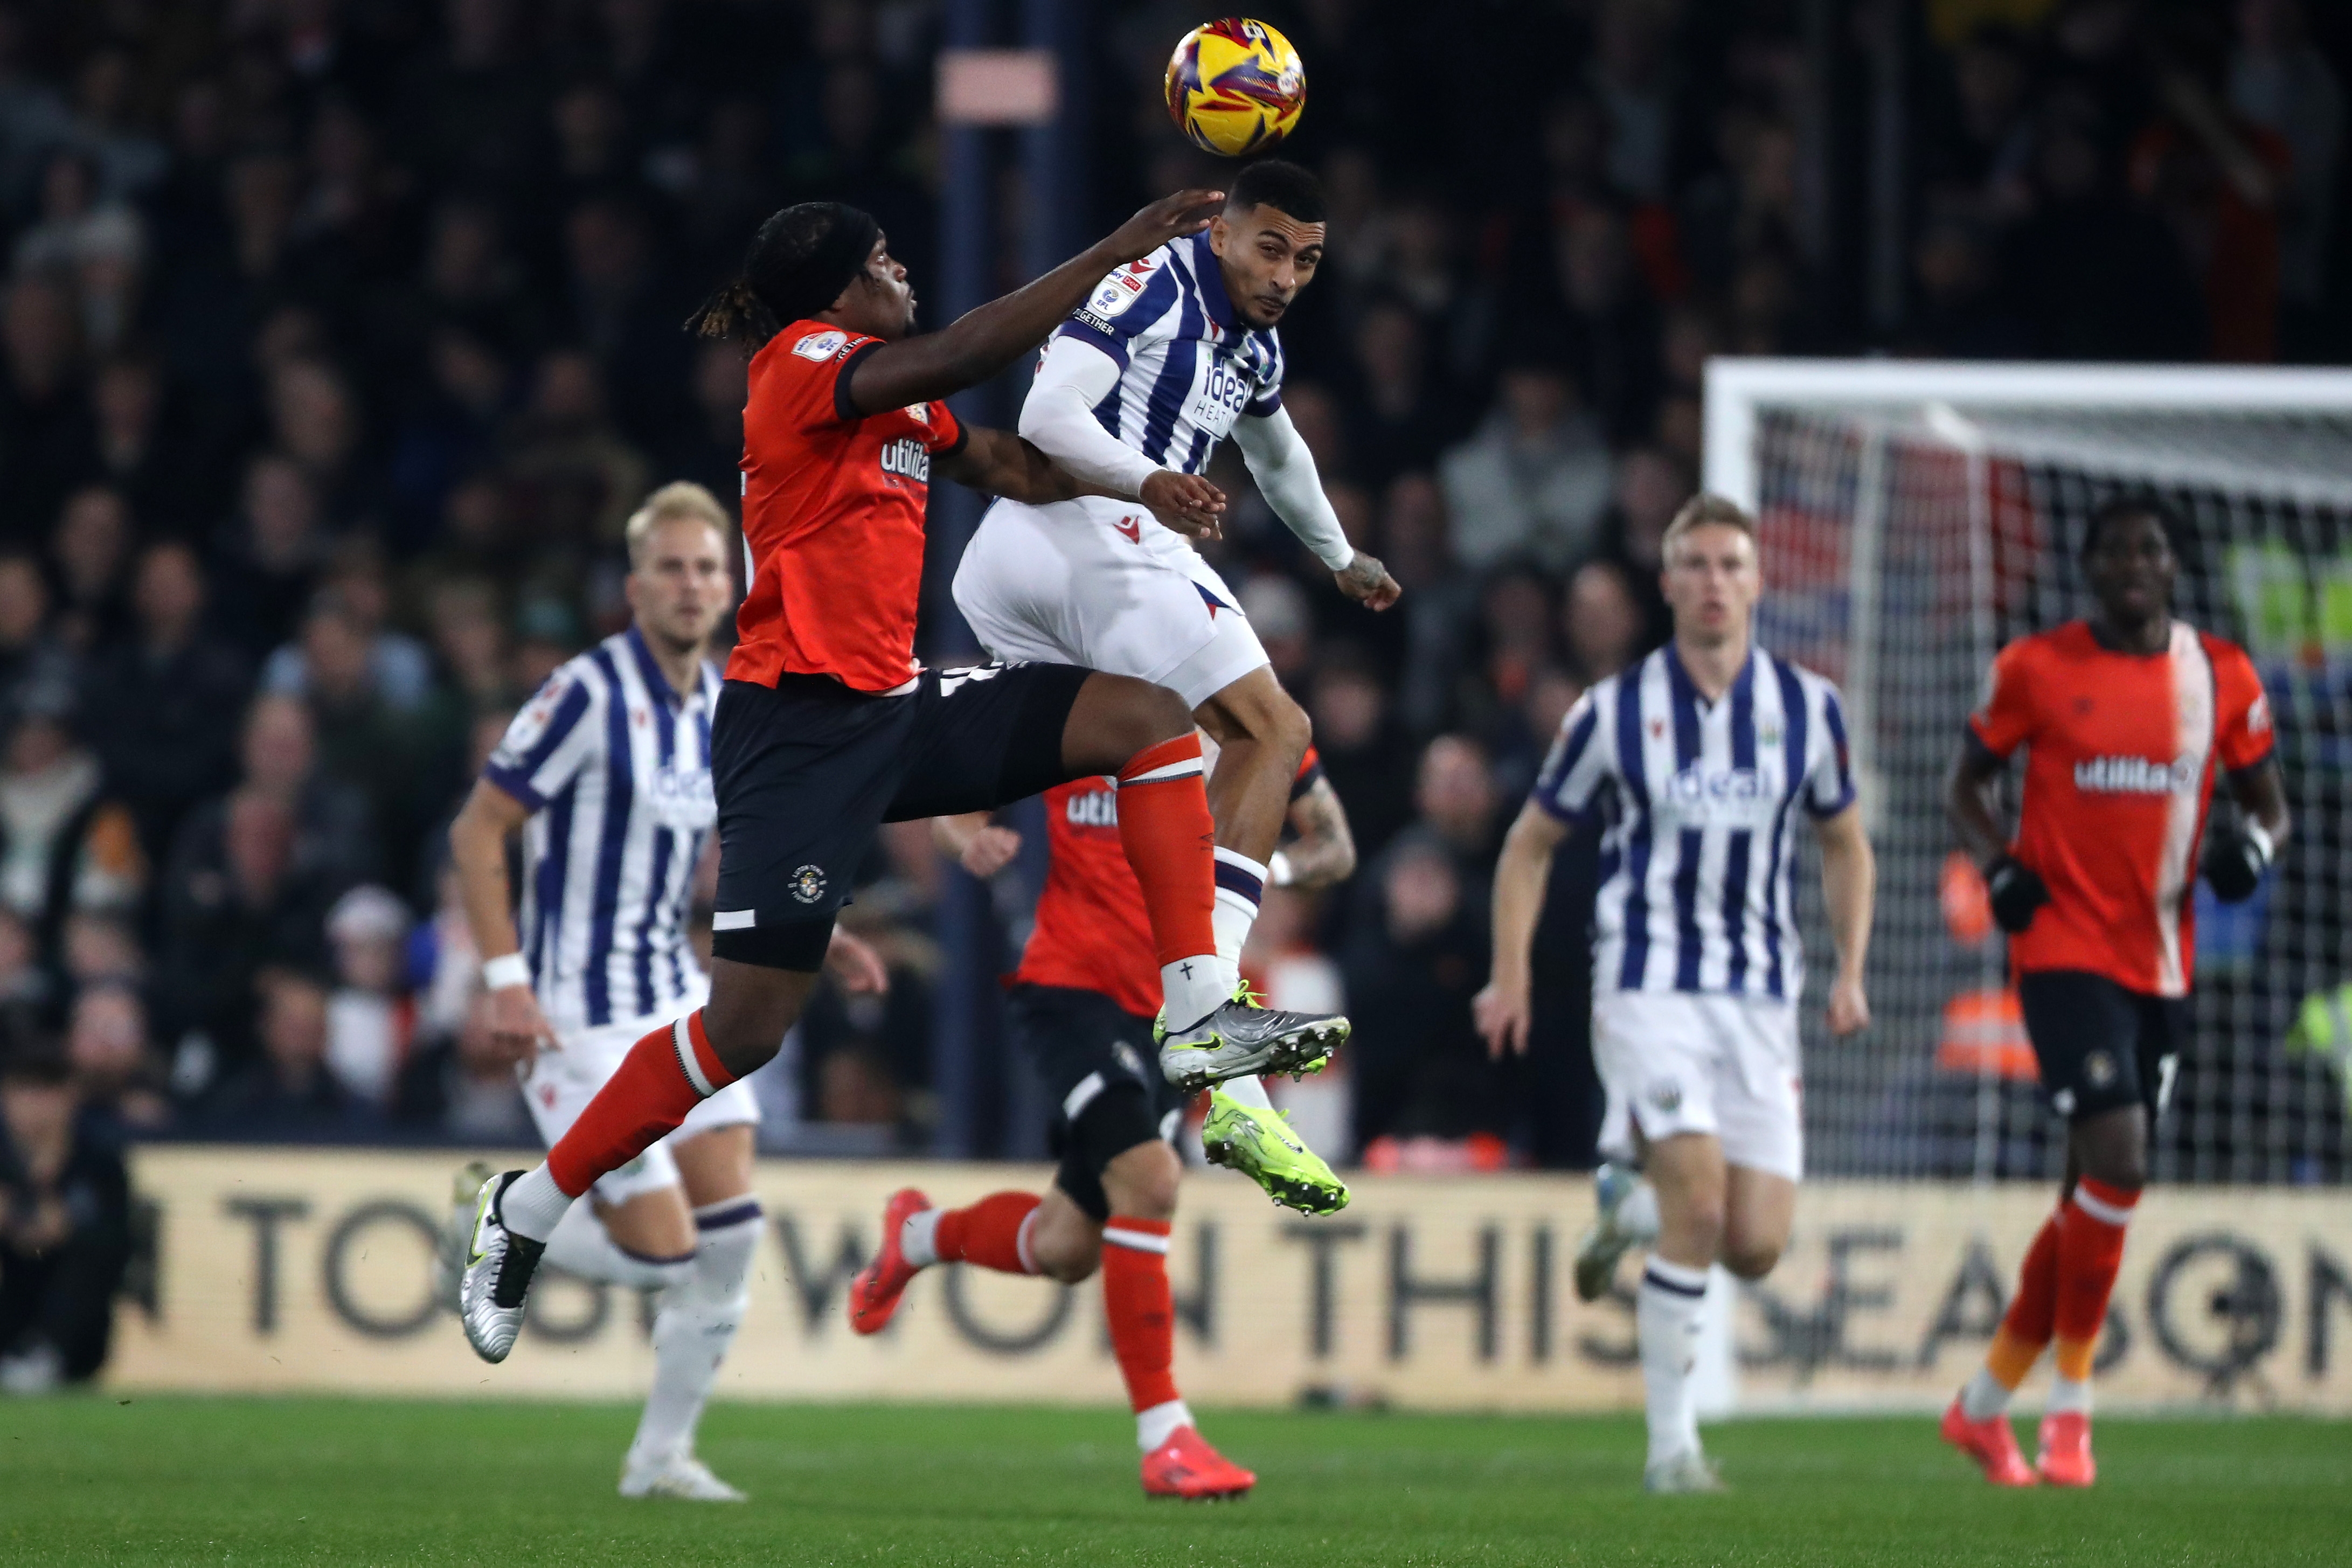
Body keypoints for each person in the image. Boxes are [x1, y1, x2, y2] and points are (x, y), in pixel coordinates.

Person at [455, 191, 1345, 1370]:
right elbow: (974, 348)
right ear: (835, 292)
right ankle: (526, 1211)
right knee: (745, 1030)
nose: (901, 270)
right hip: (796, 738)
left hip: (895, 705)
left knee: (1146, 724)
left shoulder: (892, 391)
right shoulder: (801, 365)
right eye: (881, 261)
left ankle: (1195, 1019)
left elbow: (1015, 468)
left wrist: (1144, 489)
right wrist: (1118, 250)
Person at [951, 159, 1396, 1208]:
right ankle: (1208, 1016)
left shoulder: (1254, 342)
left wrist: (1337, 556)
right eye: (1271, 249)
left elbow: (1278, 457)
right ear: (1229, 235)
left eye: (1308, 260)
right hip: (1077, 534)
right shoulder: (1152, 280)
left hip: (1076, 568)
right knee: (1273, 729)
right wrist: (1148, 480)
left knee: (1176, 744)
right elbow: (1047, 416)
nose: (1286, 275)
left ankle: (1209, 1044)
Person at [441, 481, 882, 1500]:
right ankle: (492, 1214)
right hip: (573, 1010)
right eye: (672, 567)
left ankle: (659, 1458)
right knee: (666, 1252)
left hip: (671, 994)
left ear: (732, 586)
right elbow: (478, 829)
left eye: (707, 568)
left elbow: (739, 854)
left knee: (732, 1240)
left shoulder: (726, 701)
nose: (691, 585)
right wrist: (504, 982)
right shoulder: (585, 693)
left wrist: (826, 927)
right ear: (635, 585)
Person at [1474, 494, 1876, 1492]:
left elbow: (1843, 841)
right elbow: (1528, 844)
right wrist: (1510, 970)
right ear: (1665, 584)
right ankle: (1671, 1452)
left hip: (1761, 1000)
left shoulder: (1809, 709)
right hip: (1647, 987)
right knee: (1701, 1199)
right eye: (1692, 564)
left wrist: (1851, 966)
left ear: (1758, 580)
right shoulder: (1611, 711)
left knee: (1753, 1245)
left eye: (1729, 565)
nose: (1711, 582)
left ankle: (1631, 1205)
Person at [848, 750, 1357, 1498]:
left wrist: (1254, 873)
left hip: (1170, 1016)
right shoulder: (1086, 699)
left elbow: (1333, 847)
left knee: (1065, 1246)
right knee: (1151, 1177)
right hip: (1070, 991)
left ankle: (916, 1234)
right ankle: (1166, 1438)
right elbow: (957, 795)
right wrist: (967, 840)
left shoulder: (1241, 710)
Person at [1938, 495, 2287, 1489]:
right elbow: (1966, 785)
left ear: (2174, 568)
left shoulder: (2222, 676)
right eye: (2116, 550)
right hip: (2059, 948)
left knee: (2087, 1192)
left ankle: (1979, 1408)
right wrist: (1998, 864)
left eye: (2152, 550)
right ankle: (2071, 1414)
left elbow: (2270, 805)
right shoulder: (2036, 670)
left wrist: (2249, 854)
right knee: (2120, 1162)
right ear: (2089, 568)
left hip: (2159, 961)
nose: (2134, 564)